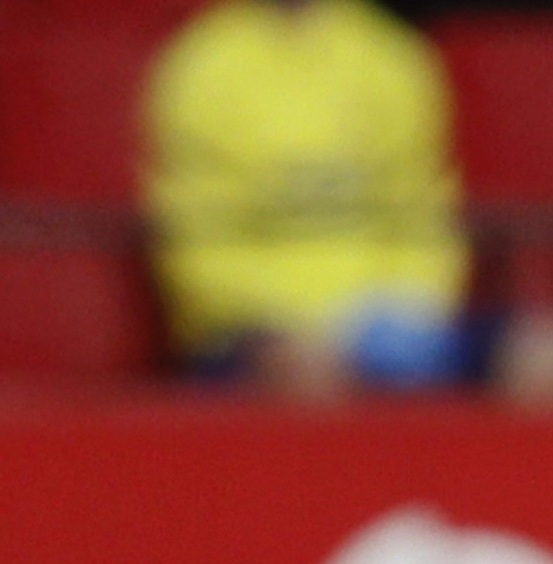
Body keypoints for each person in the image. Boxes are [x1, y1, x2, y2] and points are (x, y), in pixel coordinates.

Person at [144, 0, 473, 393]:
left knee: (546, 361)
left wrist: (414, 311)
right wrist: (282, 328)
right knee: (310, 375)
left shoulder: (390, 53)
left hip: (385, 325)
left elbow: (423, 210)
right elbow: (197, 237)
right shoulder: (201, 63)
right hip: (254, 332)